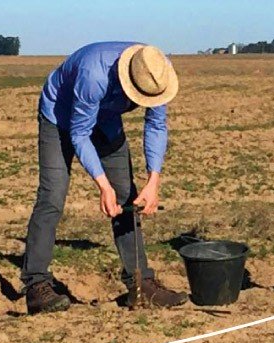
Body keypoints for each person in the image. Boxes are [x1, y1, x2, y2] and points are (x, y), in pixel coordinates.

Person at [20, 42, 187, 314]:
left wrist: (154, 180)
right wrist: (102, 185)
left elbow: (156, 125)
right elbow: (79, 134)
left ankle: (140, 284)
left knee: (127, 196)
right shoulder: (94, 73)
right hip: (60, 116)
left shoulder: (158, 73)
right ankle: (36, 285)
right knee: (52, 196)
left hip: (106, 118)